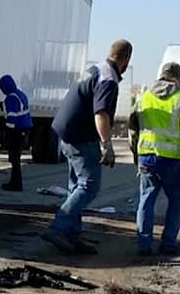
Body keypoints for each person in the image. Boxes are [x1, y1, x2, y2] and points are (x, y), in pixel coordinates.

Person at [41, 39, 133, 254]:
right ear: (126, 58)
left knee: (76, 187)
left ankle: (71, 236)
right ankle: (58, 228)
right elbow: (101, 113)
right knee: (89, 185)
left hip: (67, 133)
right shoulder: (108, 79)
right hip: (80, 136)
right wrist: (107, 144)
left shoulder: (95, 69)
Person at [129, 62, 180, 256]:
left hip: (146, 157)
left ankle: (144, 244)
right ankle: (168, 243)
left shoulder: (143, 96)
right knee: (176, 199)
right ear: (177, 78)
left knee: (146, 199)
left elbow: (133, 130)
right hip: (172, 160)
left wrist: (136, 155)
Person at [0, 74, 32, 191]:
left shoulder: (11, 98)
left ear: (6, 87)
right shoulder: (20, 94)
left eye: (2, 88)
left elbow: (12, 118)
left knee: (14, 158)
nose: (2, 91)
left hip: (16, 131)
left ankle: (15, 184)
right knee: (16, 158)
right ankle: (15, 183)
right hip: (24, 130)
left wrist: (7, 134)